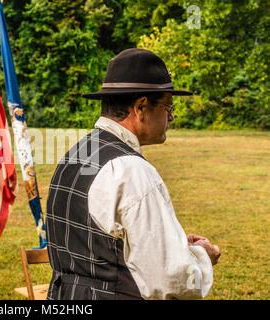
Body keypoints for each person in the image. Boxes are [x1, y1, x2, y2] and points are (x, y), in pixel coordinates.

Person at [45, 48, 221, 300]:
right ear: (140, 107)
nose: (171, 117)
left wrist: (177, 246)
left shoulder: (76, 152)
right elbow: (169, 281)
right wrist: (203, 256)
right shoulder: (133, 171)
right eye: (167, 107)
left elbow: (103, 241)